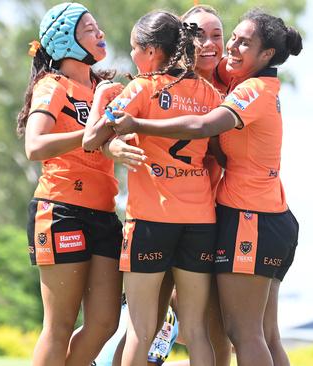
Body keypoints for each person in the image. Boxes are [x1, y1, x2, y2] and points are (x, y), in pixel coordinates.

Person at [105, 8, 302, 366]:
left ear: (267, 54)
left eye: (226, 36)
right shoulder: (232, 79)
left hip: (246, 216)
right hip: (236, 215)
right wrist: (114, 142)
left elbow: (203, 127)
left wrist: (138, 124)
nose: (224, 47)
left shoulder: (247, 88)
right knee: (244, 332)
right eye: (200, 34)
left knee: (241, 333)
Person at [83, 10, 222, 366]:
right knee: (196, 331)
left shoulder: (142, 88)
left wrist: (106, 115)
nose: (131, 56)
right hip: (200, 221)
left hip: (150, 220)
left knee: (141, 330)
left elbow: (91, 138)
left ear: (151, 51)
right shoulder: (209, 93)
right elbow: (220, 151)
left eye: (134, 48)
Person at [16, 3, 144, 365]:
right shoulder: (52, 85)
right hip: (60, 211)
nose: (100, 34)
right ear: (65, 40)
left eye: (97, 27)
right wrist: (87, 134)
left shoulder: (105, 89)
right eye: (89, 29)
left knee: (105, 322)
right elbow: (34, 146)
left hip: (104, 213)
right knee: (58, 326)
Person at [181, 6, 232, 366]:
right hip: (171, 214)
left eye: (217, 35)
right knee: (146, 320)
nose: (210, 44)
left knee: (218, 327)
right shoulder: (166, 81)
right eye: (200, 35)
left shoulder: (238, 86)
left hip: (223, 215)